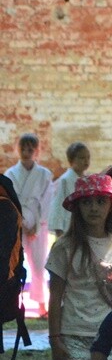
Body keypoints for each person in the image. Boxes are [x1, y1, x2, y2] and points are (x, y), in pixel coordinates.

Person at [45, 174, 112, 360]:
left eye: (101, 201)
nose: (94, 208)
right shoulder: (65, 247)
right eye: (87, 202)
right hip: (74, 333)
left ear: (111, 206)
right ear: (77, 207)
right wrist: (55, 340)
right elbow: (55, 297)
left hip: (109, 334)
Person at [5, 133, 53, 314]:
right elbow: (10, 200)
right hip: (16, 225)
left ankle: (41, 305)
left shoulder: (44, 175)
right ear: (18, 150)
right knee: (15, 265)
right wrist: (20, 222)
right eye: (23, 149)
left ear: (37, 151)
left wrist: (38, 224)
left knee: (39, 266)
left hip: (38, 225)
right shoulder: (10, 174)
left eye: (30, 149)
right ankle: (15, 303)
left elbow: (47, 200)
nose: (26, 152)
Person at [48, 142, 90, 238]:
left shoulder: (87, 179)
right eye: (82, 158)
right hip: (67, 226)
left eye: (88, 157)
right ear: (71, 160)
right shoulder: (65, 180)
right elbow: (58, 207)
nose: (86, 161)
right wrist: (59, 231)